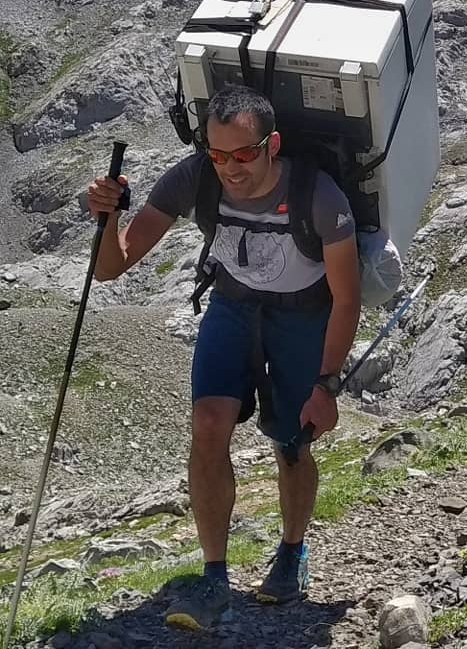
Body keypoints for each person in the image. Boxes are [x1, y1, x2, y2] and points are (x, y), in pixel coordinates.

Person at [86, 84, 363, 632]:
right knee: (208, 425)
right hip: (232, 306)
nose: (229, 169)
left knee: (291, 441)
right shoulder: (193, 178)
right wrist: (107, 216)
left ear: (271, 145)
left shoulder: (320, 196)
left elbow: (347, 298)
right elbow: (111, 268)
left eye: (242, 155)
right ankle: (215, 576)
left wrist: (326, 386)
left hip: (303, 315)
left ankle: (291, 551)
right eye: (217, 155)